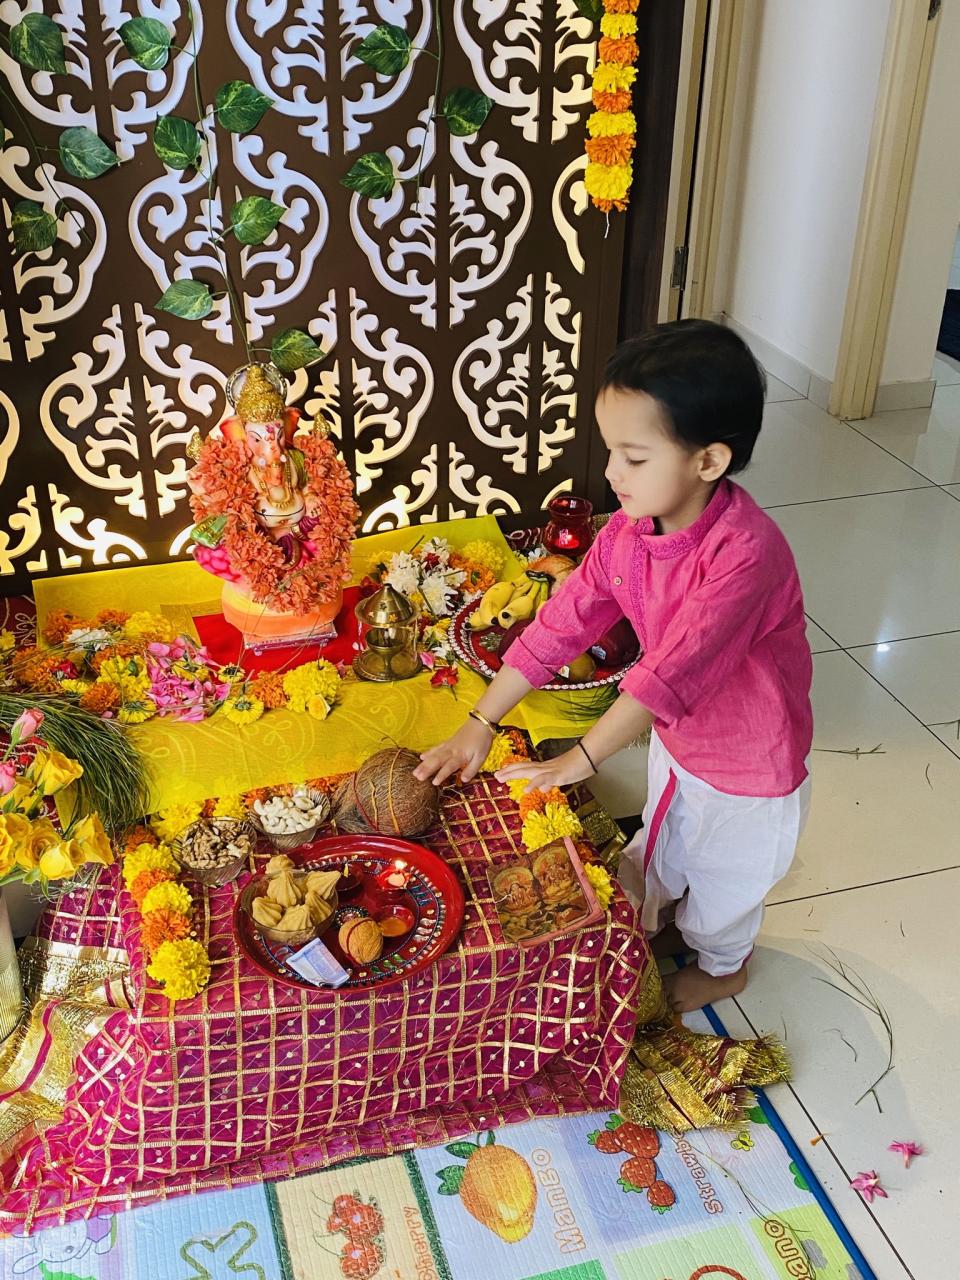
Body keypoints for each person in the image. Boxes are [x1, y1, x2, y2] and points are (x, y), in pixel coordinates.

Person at [414, 320, 813, 1012]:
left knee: (727, 880)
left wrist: (582, 761)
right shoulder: (627, 533)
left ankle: (723, 967)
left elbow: (666, 676)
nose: (610, 473)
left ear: (709, 462)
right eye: (611, 452)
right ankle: (656, 922)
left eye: (634, 457)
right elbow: (560, 624)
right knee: (662, 844)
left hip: (753, 768)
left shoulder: (746, 555)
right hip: (681, 741)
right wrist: (480, 721)